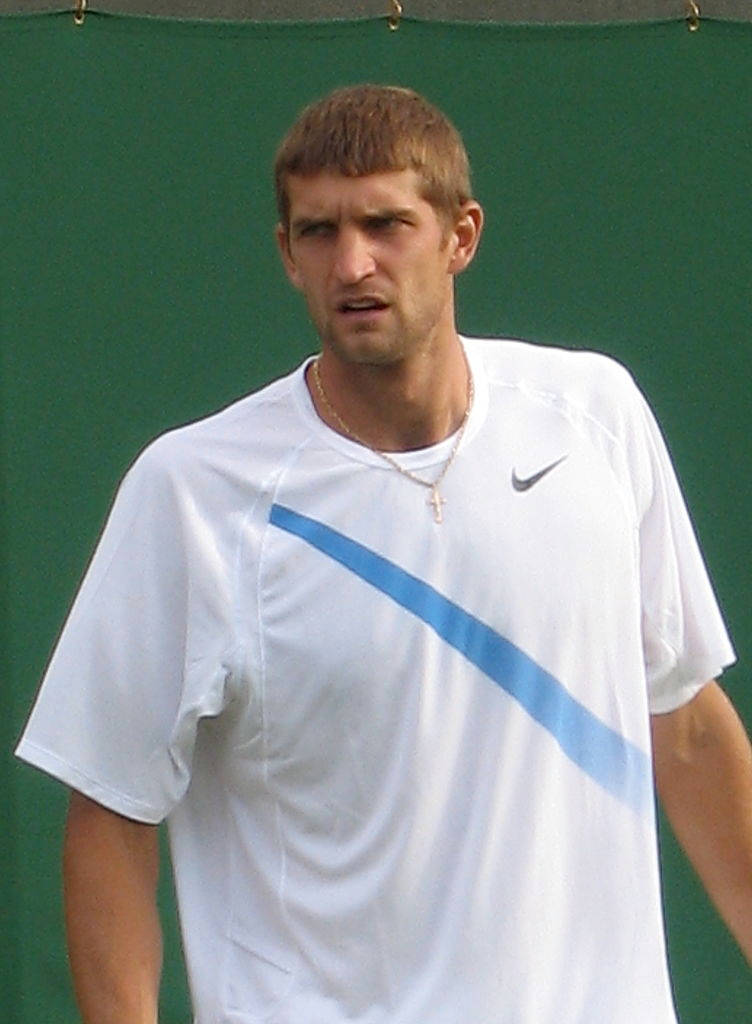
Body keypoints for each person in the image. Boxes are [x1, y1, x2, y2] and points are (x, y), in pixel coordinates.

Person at [15, 84, 752, 1024]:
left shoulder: (596, 419)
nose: (353, 262)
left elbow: (683, 724)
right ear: (287, 255)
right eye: (318, 232)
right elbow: (110, 811)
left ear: (461, 236)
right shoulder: (192, 492)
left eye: (386, 224)